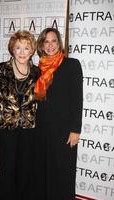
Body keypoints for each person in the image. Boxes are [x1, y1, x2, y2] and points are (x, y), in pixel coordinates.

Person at [0, 30, 40, 200]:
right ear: (12, 49)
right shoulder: (0, 69)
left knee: (25, 171)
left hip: (29, 129)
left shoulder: (37, 72)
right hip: (5, 128)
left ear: (32, 51)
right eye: (18, 48)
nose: (22, 52)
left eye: (26, 48)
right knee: (7, 170)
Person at [34, 27, 83, 200]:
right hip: (41, 130)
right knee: (44, 172)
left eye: (53, 40)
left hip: (64, 131)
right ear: (41, 45)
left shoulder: (71, 65)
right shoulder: (38, 69)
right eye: (46, 41)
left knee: (63, 172)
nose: (50, 45)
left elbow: (77, 98)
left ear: (59, 43)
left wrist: (76, 129)